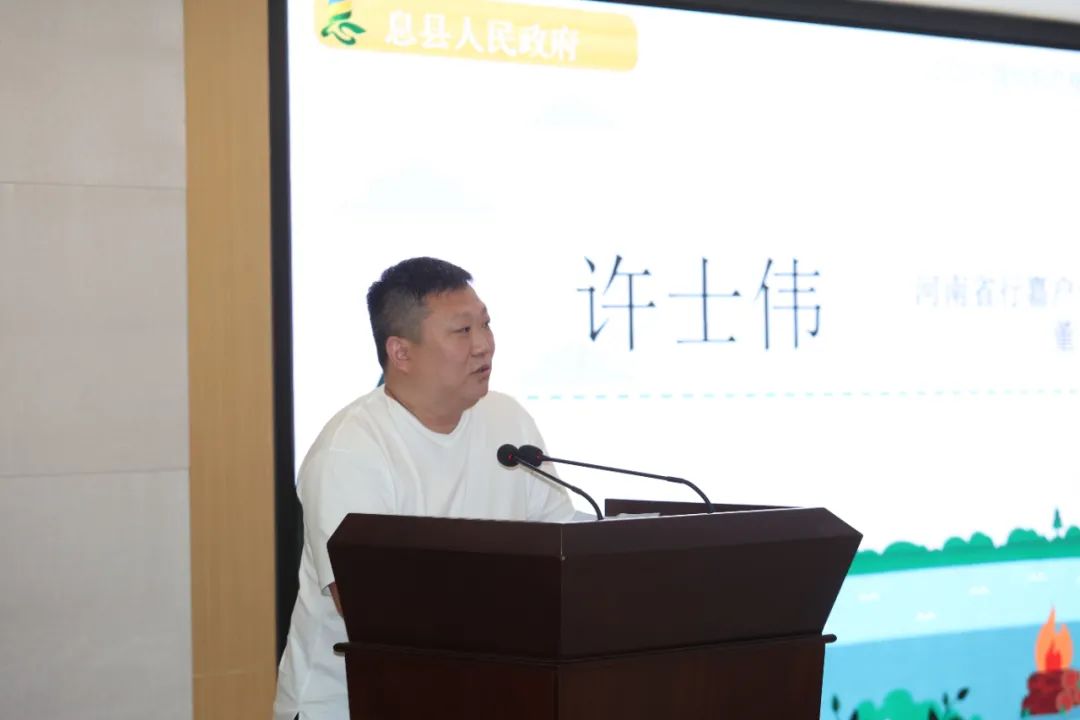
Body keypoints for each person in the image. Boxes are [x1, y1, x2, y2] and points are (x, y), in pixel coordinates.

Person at [273, 257, 575, 720]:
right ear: (401, 353)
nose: (484, 345)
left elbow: (562, 546)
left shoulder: (507, 421)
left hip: (484, 694)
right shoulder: (351, 451)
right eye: (462, 331)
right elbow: (371, 609)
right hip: (348, 705)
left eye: (486, 324)